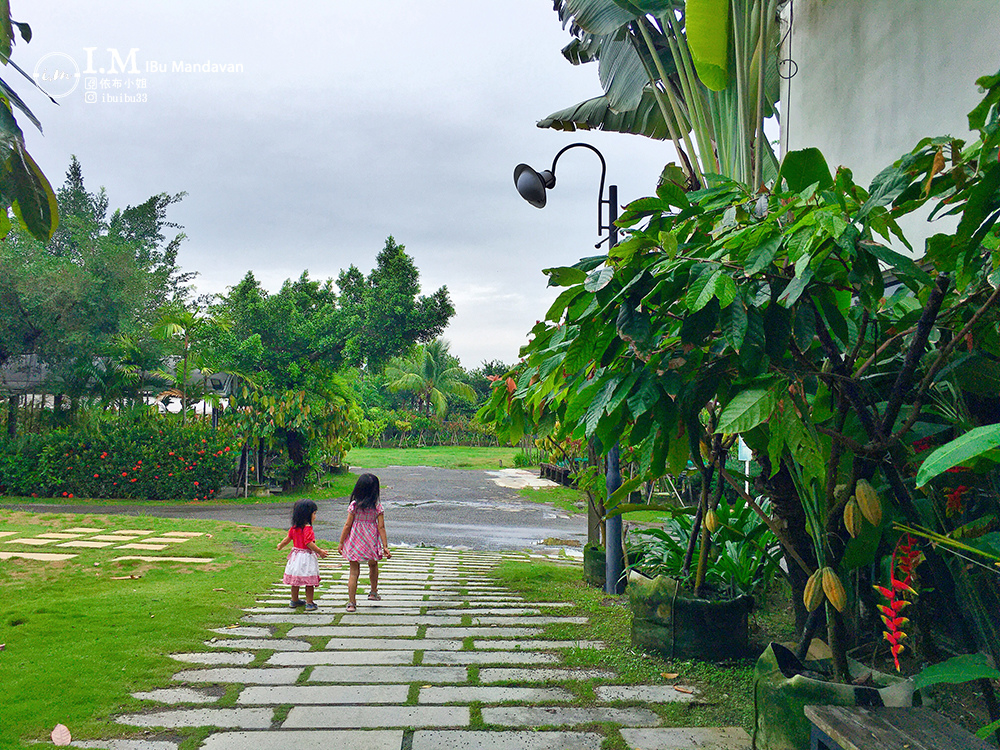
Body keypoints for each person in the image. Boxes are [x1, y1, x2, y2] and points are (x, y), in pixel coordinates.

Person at [338, 472, 391, 612]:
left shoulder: (354, 506)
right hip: (370, 541)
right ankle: (373, 592)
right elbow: (381, 527)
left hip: (355, 541)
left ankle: (351, 602)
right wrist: (385, 546)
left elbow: (347, 525)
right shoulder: (377, 506)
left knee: (353, 571)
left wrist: (341, 542)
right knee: (373, 565)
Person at [277, 499, 329, 611]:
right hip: (306, 557)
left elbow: (287, 539)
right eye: (314, 514)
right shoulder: (308, 528)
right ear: (307, 515)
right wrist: (319, 551)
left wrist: (281, 545)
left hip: (296, 557)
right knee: (309, 581)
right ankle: (309, 603)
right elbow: (308, 542)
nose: (315, 516)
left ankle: (294, 600)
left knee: (295, 581)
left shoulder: (294, 527)